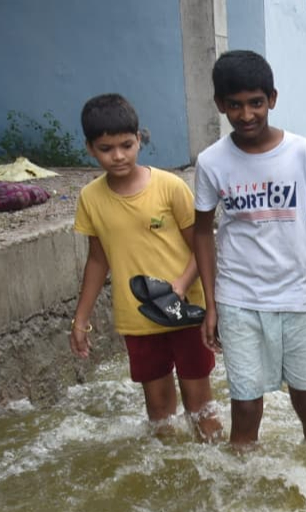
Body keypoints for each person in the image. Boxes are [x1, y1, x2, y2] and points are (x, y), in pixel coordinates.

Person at [193, 49, 306, 448]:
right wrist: (212, 303)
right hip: (239, 298)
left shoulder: (301, 152)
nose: (246, 114)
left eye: (255, 102)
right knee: (246, 406)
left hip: (300, 295)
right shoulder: (211, 161)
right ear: (220, 105)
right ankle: (242, 491)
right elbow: (203, 232)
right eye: (234, 105)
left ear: (272, 98)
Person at [69, 93, 221, 441]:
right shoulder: (90, 199)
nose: (118, 155)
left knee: (202, 408)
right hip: (137, 319)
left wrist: (179, 287)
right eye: (107, 148)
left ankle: (215, 473)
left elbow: (202, 245)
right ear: (90, 148)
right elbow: (97, 258)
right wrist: (81, 320)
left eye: (126, 144)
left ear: (140, 140)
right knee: (158, 414)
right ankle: (172, 477)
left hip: (185, 313)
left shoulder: (169, 187)